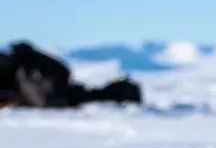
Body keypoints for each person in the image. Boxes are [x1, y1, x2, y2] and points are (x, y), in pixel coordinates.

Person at [0, 41, 142, 109]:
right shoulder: (20, 66)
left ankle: (122, 92)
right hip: (47, 83)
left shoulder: (21, 69)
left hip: (46, 87)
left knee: (76, 98)